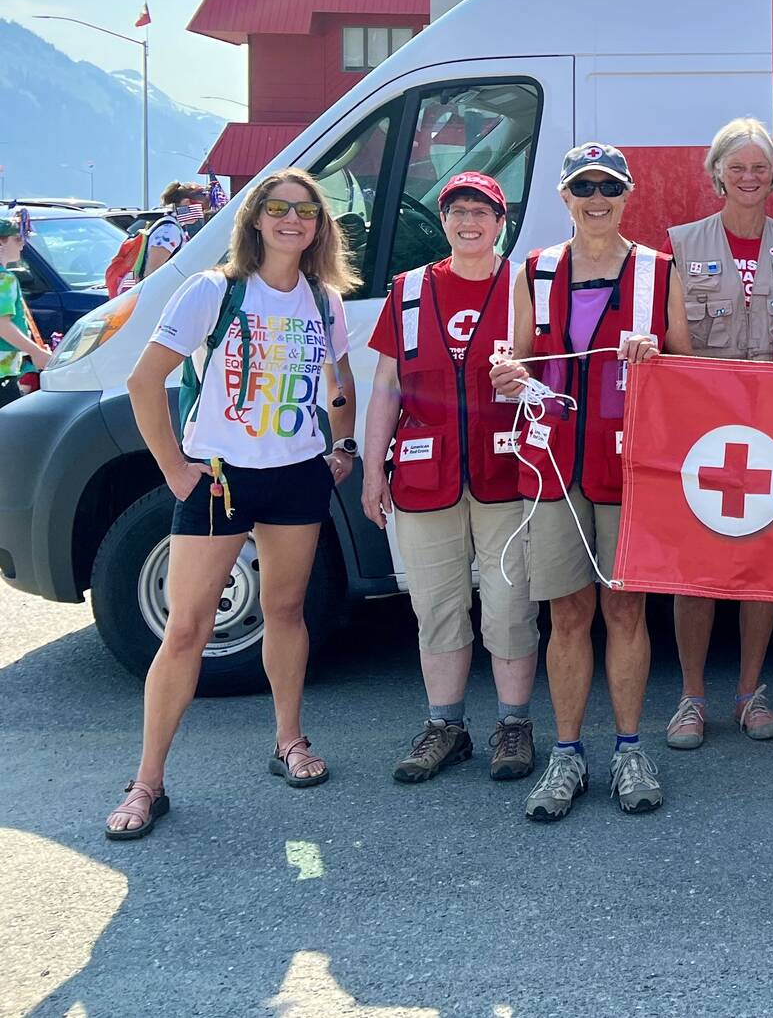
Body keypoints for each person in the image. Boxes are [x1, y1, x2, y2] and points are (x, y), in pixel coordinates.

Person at [105, 169, 358, 839]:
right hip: (218, 478)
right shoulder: (215, 289)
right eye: (277, 208)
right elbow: (143, 380)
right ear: (254, 219)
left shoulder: (322, 299)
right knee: (186, 629)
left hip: (298, 476)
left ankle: (289, 741)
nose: (291, 220)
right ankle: (147, 782)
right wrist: (175, 470)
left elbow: (340, 379)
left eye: (304, 211)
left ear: (319, 226)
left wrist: (344, 446)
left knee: (284, 610)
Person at [490, 144, 688, 822]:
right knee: (567, 614)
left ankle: (631, 746)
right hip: (553, 464)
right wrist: (508, 374)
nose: (597, 197)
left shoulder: (659, 271)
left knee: (625, 610)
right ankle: (568, 751)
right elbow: (513, 358)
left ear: (628, 193)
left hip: (626, 462)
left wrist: (657, 353)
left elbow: (688, 363)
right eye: (584, 186)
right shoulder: (536, 270)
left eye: (609, 186)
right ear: (565, 196)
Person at [361, 172, 538, 786]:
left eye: (481, 212)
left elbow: (548, 376)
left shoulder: (524, 286)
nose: (469, 222)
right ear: (444, 221)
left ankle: (514, 725)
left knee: (511, 605)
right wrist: (371, 469)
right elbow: (387, 385)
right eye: (457, 211)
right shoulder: (409, 291)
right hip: (422, 473)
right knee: (436, 606)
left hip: (505, 471)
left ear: (500, 221)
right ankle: (446, 728)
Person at [664, 117, 773, 750]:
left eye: (760, 167)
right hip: (703, 430)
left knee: (761, 563)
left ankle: (750, 691)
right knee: (695, 566)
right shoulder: (679, 245)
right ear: (716, 173)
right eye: (737, 166)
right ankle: (691, 698)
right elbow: (670, 339)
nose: (749, 177)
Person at [0, 213, 53, 407]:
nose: (23, 244)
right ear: (1, 243)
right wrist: (35, 351)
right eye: (17, 239)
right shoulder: (4, 280)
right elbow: (2, 324)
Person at [128, 182, 212, 291]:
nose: (202, 214)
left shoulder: (177, 228)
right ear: (186, 203)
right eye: (201, 209)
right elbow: (152, 273)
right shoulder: (169, 231)